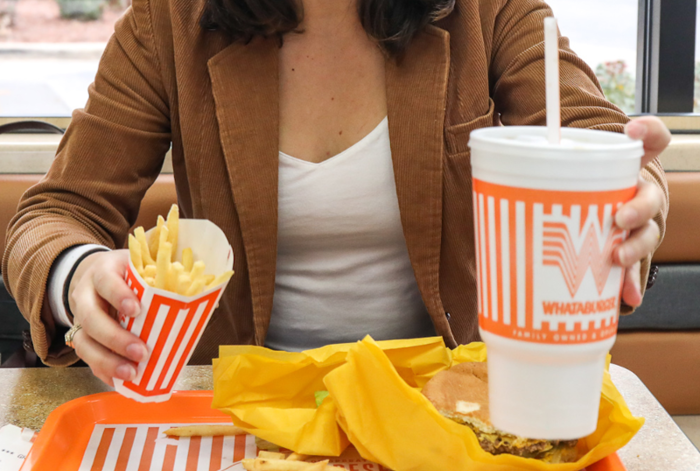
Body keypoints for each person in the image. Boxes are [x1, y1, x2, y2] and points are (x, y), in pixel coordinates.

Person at [2, 0, 669, 387]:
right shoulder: (171, 19)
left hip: (443, 408)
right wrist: (75, 274)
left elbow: (600, 140)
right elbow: (56, 213)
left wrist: (638, 195)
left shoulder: (487, 11)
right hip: (244, 422)